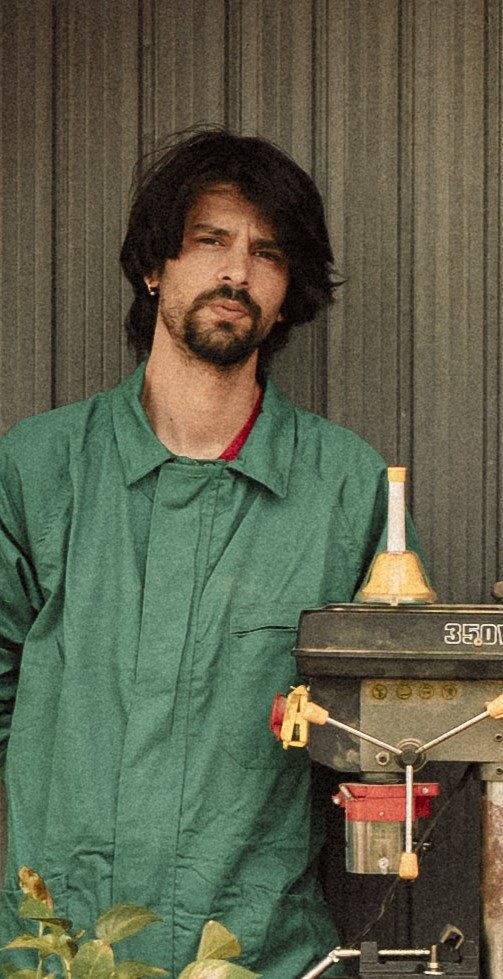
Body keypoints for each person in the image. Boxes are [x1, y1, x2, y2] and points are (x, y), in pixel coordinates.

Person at [0, 128, 420, 976]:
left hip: (262, 953)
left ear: (288, 292)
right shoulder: (40, 468)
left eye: (267, 253)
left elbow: (384, 728)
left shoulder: (347, 487)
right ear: (154, 267)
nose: (236, 272)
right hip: (60, 950)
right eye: (209, 241)